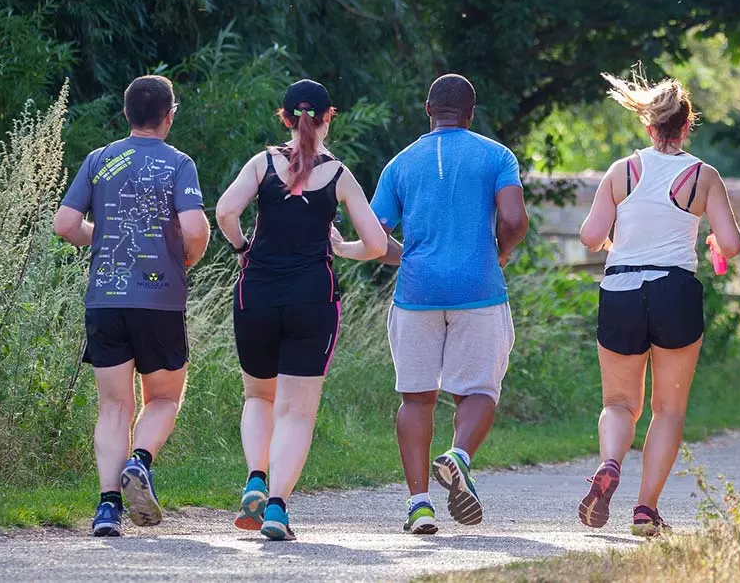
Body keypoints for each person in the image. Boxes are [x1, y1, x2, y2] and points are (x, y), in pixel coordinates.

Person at [215, 79, 386, 542]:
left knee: (258, 397)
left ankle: (255, 477)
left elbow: (226, 211)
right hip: (313, 298)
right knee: (297, 412)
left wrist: (241, 248)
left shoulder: (261, 164)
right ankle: (276, 508)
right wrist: (342, 247)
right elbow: (375, 245)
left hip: (257, 294)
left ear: (285, 118)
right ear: (329, 117)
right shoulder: (340, 175)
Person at [358, 73, 528, 535]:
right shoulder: (497, 156)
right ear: (471, 114)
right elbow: (513, 218)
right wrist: (499, 253)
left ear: (427, 109)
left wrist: (405, 257)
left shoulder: (400, 164)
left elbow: (375, 237)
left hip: (416, 294)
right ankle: (458, 456)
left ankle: (419, 506)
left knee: (416, 396)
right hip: (479, 289)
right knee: (478, 390)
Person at [577, 69, 740, 537]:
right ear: (688, 126)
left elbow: (591, 236)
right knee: (667, 410)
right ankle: (645, 510)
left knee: (619, 402)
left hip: (621, 290)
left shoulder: (621, 171)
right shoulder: (702, 176)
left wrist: (618, 246)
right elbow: (730, 245)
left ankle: (609, 463)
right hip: (674, 290)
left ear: (649, 127)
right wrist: (712, 242)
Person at [53, 75, 210, 537]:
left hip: (105, 299)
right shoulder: (179, 164)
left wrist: (97, 239)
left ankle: (106, 509)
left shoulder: (99, 160)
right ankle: (140, 460)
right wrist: (185, 260)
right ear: (170, 115)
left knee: (113, 407)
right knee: (163, 397)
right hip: (160, 300)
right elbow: (196, 229)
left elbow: (65, 223)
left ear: (126, 114)